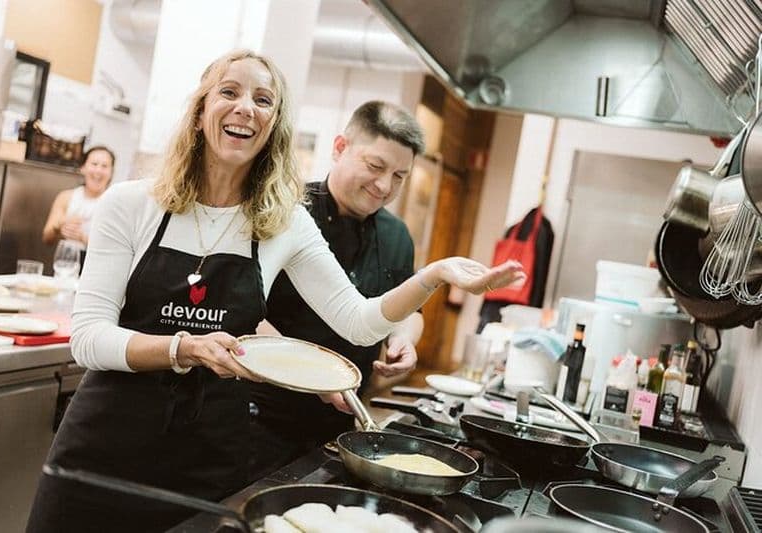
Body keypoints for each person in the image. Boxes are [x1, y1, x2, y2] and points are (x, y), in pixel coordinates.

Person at [26, 49, 525, 533]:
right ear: (202, 109)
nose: (246, 107)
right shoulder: (131, 203)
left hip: (205, 460)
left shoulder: (284, 222)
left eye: (264, 99)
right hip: (104, 448)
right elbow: (87, 338)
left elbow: (359, 321)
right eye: (230, 91)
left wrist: (433, 275)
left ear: (274, 125)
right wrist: (184, 348)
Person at [248, 100, 426, 480]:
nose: (384, 186)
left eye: (399, 176)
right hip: (260, 416)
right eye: (375, 166)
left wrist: (404, 340)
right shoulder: (283, 212)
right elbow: (244, 310)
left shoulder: (397, 236)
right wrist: (313, 375)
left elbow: (408, 309)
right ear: (340, 147)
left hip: (340, 424)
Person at [41, 145, 115, 252]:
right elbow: (47, 239)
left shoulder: (114, 205)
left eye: (104, 166)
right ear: (83, 167)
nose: (98, 170)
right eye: (94, 164)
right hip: (64, 263)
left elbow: (113, 250)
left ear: (111, 172)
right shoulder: (66, 197)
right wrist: (60, 226)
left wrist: (82, 238)